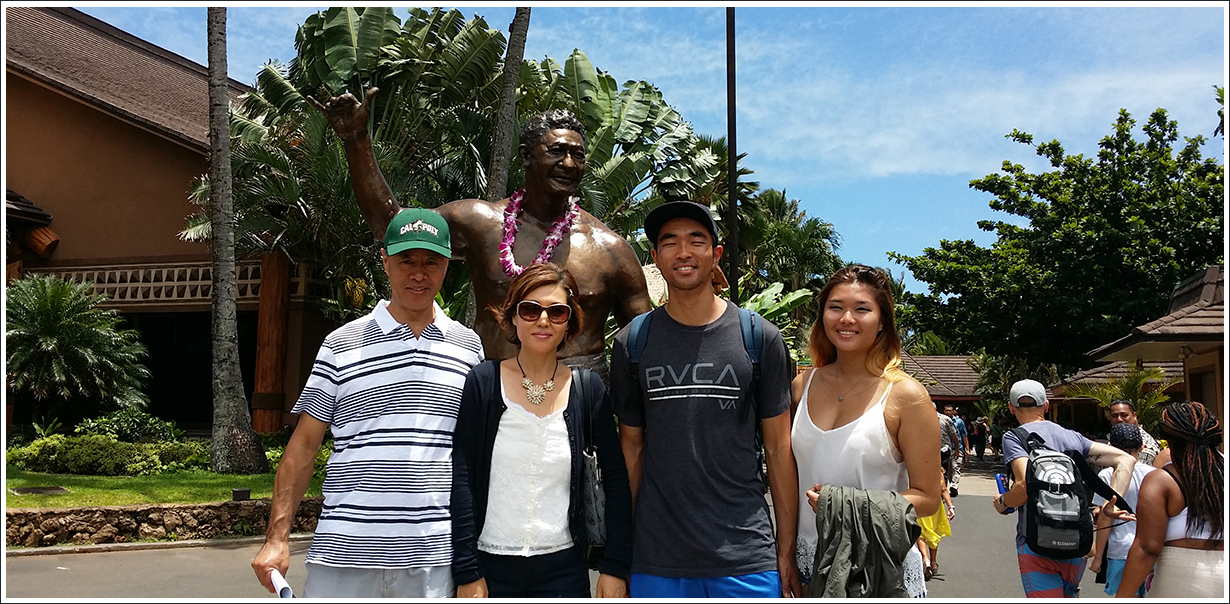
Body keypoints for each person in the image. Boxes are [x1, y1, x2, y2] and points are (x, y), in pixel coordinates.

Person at [311, 90, 652, 379]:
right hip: (492, 392)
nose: (568, 163)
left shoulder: (609, 249)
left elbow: (644, 347)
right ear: (525, 157)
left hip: (578, 399)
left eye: (577, 155)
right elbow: (393, 227)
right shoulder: (481, 222)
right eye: (556, 151)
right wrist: (357, 142)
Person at [251, 209, 485, 598]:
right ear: (385, 261)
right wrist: (277, 537)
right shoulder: (341, 343)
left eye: (432, 261)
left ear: (448, 265)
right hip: (344, 556)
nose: (418, 273)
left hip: (433, 561)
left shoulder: (467, 347)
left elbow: (473, 456)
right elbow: (305, 444)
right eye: (406, 260)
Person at [610, 201, 800, 598]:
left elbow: (779, 448)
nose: (683, 252)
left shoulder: (759, 337)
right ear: (656, 257)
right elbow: (631, 449)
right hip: (656, 557)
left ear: (715, 255)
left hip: (746, 555)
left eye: (697, 240)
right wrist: (619, 555)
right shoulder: (633, 342)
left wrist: (785, 550)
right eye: (670, 242)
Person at [450, 263, 632, 598]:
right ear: (514, 317)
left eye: (557, 312)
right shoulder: (484, 383)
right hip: (489, 570)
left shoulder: (588, 390)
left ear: (569, 323)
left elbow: (616, 481)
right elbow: (462, 477)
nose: (543, 320)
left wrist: (615, 567)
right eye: (531, 309)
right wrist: (467, 569)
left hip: (564, 570)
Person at [792, 265, 941, 597]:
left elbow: (928, 498)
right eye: (835, 307)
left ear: (882, 321)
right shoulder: (801, 386)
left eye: (862, 309)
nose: (846, 318)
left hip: (877, 568)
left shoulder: (906, 395)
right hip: (807, 561)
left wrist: (841, 504)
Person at [992, 379, 1135, 598]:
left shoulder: (1015, 437)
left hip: (1036, 541)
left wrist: (1002, 502)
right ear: (1046, 405)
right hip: (1075, 542)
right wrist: (1110, 503)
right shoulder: (1072, 437)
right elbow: (1125, 460)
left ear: (1011, 407)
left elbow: (1022, 489)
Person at [1115, 401, 1223, 598]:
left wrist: (1122, 597)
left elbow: (1147, 547)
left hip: (1182, 577)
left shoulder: (1162, 481)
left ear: (1168, 442)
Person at [1087, 423, 1155, 597]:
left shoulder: (1107, 475)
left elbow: (1105, 518)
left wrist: (1098, 557)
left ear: (1111, 449)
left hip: (1120, 549)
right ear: (1142, 446)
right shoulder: (1154, 475)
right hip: (1149, 549)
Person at [917, 467, 956, 581]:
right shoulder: (937, 470)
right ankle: (933, 562)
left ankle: (925, 559)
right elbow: (943, 489)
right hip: (935, 505)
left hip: (920, 503)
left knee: (921, 533)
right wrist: (950, 506)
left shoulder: (916, 468)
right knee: (934, 532)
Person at [1106, 399, 1162, 467]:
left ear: (1135, 416)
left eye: (1124, 415)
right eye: (1114, 416)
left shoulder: (1145, 444)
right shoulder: (1114, 437)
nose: (1119, 419)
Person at [944, 405, 968, 496]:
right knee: (949, 470)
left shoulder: (959, 422)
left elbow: (964, 435)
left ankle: (954, 486)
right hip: (945, 449)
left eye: (950, 410)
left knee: (956, 467)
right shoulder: (941, 420)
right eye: (946, 410)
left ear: (954, 411)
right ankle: (952, 485)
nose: (948, 412)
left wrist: (967, 449)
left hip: (957, 448)